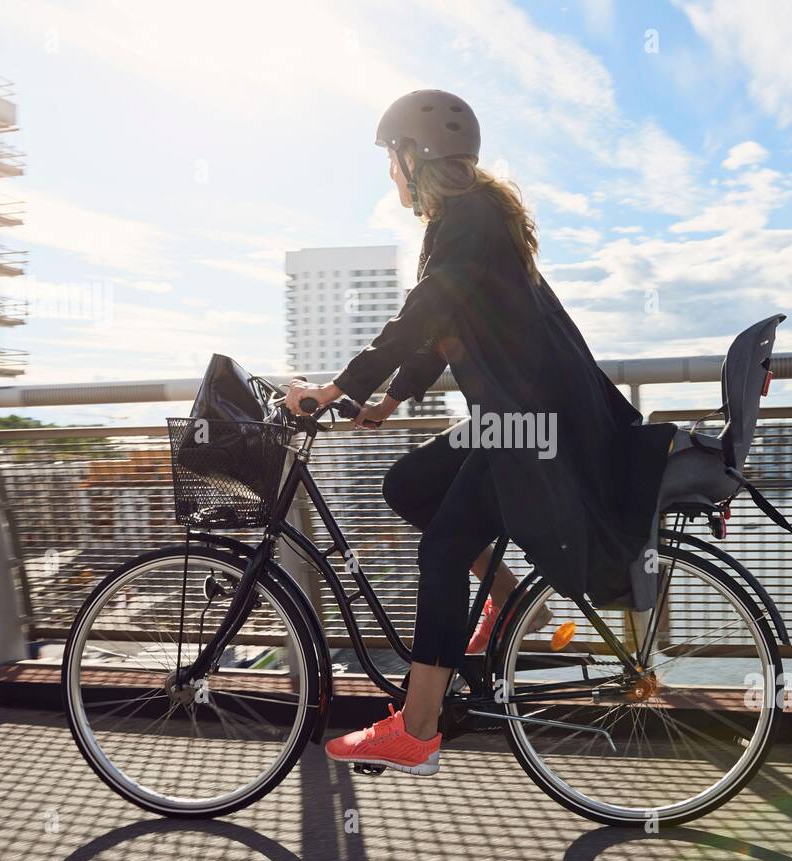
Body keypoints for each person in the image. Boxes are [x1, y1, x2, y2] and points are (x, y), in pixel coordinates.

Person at [280, 89, 676, 777]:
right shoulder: (479, 220)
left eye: (391, 159)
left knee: (441, 549)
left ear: (414, 155)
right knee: (407, 484)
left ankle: (419, 726)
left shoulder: (464, 220)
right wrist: (392, 396)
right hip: (521, 422)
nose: (390, 175)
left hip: (528, 427)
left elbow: (422, 312)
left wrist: (339, 388)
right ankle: (499, 599)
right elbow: (446, 332)